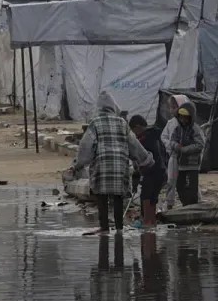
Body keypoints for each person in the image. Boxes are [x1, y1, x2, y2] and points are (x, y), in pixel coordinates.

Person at [72, 93, 152, 233]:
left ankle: (104, 228)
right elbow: (134, 144)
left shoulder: (95, 123)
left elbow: (86, 146)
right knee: (118, 198)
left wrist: (79, 165)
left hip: (101, 168)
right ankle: (119, 229)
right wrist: (145, 160)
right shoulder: (122, 123)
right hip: (120, 168)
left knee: (102, 197)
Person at [129, 114, 167, 229]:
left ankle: (146, 221)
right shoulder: (157, 134)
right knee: (153, 197)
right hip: (162, 171)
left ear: (138, 127)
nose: (134, 134)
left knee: (146, 196)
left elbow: (142, 159)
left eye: (133, 130)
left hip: (151, 172)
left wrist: (138, 175)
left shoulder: (145, 139)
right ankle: (152, 222)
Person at [166, 103, 203, 207]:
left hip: (192, 163)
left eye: (185, 117)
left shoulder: (195, 129)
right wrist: (176, 146)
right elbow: (172, 140)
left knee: (192, 187)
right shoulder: (178, 129)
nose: (183, 120)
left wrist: (185, 149)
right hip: (181, 163)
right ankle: (185, 204)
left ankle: (193, 206)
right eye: (181, 117)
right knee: (180, 185)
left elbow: (200, 144)